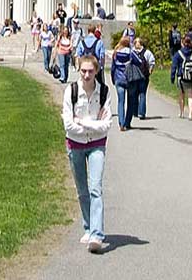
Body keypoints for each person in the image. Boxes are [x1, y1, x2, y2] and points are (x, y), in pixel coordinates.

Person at [62, 54, 114, 253]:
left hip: (97, 145)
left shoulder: (104, 92)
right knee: (82, 190)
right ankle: (88, 227)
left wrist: (82, 122)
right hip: (75, 145)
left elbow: (107, 125)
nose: (86, 75)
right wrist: (94, 125)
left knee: (95, 188)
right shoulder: (71, 92)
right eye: (83, 71)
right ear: (78, 70)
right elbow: (68, 125)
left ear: (97, 71)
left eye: (90, 71)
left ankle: (97, 235)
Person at [110, 33, 139, 131]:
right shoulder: (131, 52)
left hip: (119, 78)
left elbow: (113, 67)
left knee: (120, 101)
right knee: (130, 101)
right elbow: (139, 61)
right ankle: (127, 122)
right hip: (129, 79)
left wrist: (113, 78)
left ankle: (121, 123)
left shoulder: (116, 52)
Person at [173, 34, 192, 120]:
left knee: (181, 95)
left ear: (182, 43)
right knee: (191, 95)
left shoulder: (178, 54)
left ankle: (181, 112)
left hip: (181, 77)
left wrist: (172, 76)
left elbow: (174, 66)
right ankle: (190, 114)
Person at [137, 39, 155, 120]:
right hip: (144, 76)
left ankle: (135, 111)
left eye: (136, 42)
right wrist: (150, 70)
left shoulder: (132, 52)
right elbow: (152, 61)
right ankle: (141, 113)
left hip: (134, 76)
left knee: (134, 95)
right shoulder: (147, 52)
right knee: (142, 94)